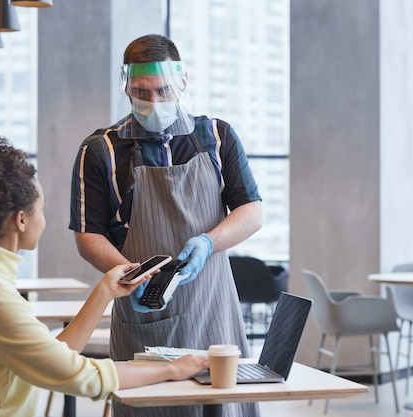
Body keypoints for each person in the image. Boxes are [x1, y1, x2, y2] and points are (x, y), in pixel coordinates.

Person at [0, 134, 208, 417]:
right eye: (41, 210)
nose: (43, 219)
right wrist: (172, 369)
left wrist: (105, 291)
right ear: (21, 219)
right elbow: (80, 376)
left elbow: (54, 358)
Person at [69, 34, 262, 417]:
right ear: (126, 86)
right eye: (141, 93)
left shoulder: (217, 137)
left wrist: (209, 241)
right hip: (146, 319)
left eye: (163, 90)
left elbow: (251, 211)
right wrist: (129, 275)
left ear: (183, 81)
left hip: (214, 313)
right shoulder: (100, 150)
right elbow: (88, 234)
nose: (153, 102)